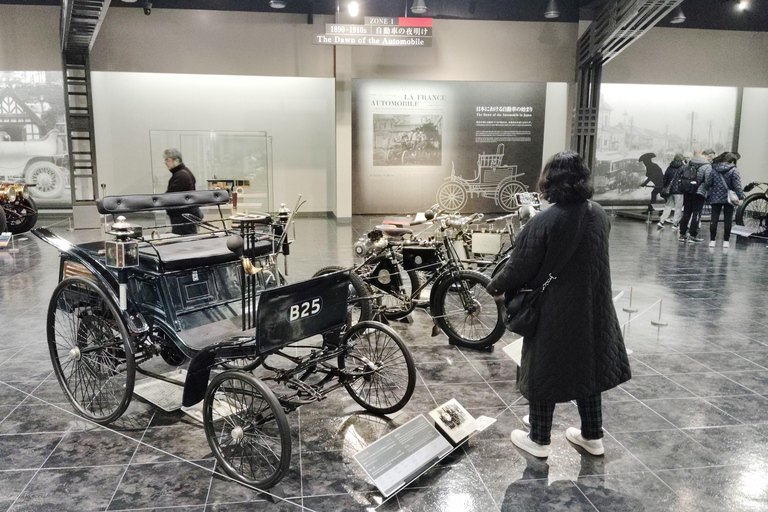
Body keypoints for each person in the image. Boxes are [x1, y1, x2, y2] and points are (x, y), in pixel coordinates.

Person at [487, 150, 631, 458]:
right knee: (590, 368)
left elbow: (519, 266)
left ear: (549, 181)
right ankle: (592, 437)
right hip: (595, 309)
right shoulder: (599, 213)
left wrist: (495, 286)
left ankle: (538, 439)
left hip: (555, 310)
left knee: (542, 370)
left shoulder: (545, 221)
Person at [706, 152, 745, 248]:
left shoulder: (715, 169)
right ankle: (726, 241)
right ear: (732, 161)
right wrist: (741, 197)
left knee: (714, 219)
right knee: (728, 220)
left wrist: (714, 190)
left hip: (715, 197)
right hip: (729, 199)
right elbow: (737, 186)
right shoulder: (734, 170)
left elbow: (708, 183)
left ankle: (712, 240)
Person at [678, 149, 714, 244]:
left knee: (686, 213)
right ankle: (693, 235)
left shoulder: (689, 163)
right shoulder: (707, 166)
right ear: (705, 156)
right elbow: (708, 181)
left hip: (688, 191)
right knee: (696, 214)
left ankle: (682, 234)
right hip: (699, 193)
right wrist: (706, 191)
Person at [163, 148, 202, 235]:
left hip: (182, 218)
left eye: (167, 160)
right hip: (185, 217)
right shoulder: (184, 172)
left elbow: (171, 196)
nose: (165, 163)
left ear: (176, 160)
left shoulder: (181, 175)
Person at [658, 153, 685, 229]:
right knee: (678, 207)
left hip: (670, 190)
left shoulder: (670, 167)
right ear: (682, 159)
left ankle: (661, 221)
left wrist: (665, 187)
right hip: (679, 191)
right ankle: (675, 223)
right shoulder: (683, 167)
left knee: (668, 206)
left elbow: (665, 178)